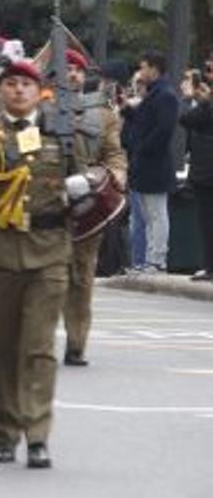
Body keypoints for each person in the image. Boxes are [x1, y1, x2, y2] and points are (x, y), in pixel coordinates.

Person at [0, 44, 90, 470]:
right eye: (11, 84)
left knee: (38, 348)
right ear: (0, 91)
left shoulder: (62, 135)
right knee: (0, 346)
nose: (18, 91)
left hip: (49, 252)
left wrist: (86, 183)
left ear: (40, 91)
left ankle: (37, 434)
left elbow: (86, 183)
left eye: (26, 84)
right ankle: (4, 429)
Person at [60, 49, 126, 366]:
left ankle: (76, 343)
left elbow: (114, 154)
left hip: (86, 204)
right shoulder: (37, 106)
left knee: (82, 277)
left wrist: (114, 174)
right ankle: (37, 340)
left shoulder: (103, 115)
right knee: (45, 277)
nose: (73, 74)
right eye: (67, 68)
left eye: (78, 70)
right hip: (47, 203)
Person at [120, 50, 179, 273]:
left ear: (154, 69)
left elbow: (163, 129)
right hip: (144, 164)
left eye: (143, 67)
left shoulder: (165, 95)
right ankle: (149, 259)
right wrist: (128, 111)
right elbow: (145, 121)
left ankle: (157, 259)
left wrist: (143, 149)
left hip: (154, 164)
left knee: (156, 213)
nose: (141, 71)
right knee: (147, 214)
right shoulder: (154, 94)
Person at [178, 68, 213, 282]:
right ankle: (209, 266)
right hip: (204, 172)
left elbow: (189, 119)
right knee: (206, 222)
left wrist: (201, 100)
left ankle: (210, 266)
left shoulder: (207, 105)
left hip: (207, 172)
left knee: (208, 221)